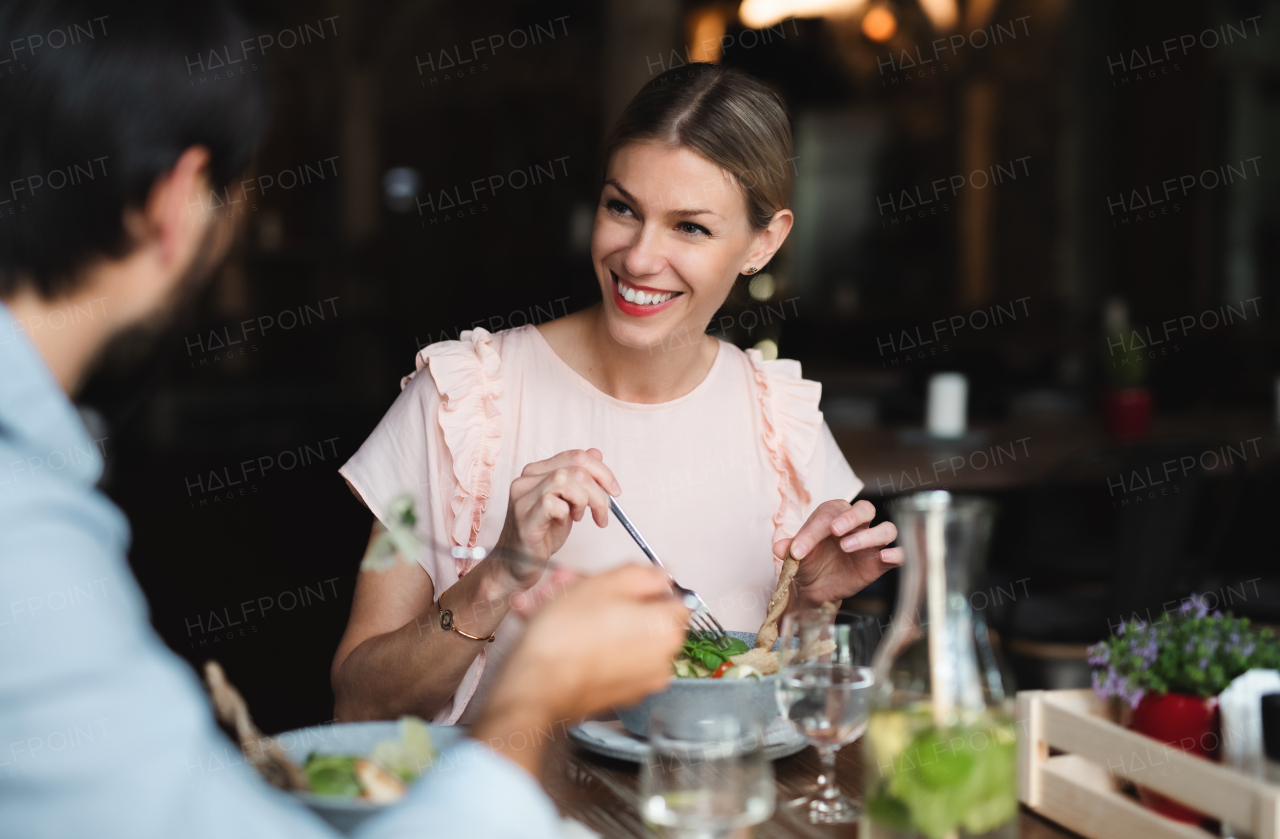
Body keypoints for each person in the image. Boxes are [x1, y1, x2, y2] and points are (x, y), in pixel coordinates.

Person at [0, 2, 688, 837]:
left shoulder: (43, 492)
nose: (644, 255)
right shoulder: (25, 536)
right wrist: (531, 696)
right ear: (178, 201)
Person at [332, 62, 904, 725]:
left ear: (763, 242)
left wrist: (810, 609)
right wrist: (500, 573)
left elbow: (782, 712)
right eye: (622, 208)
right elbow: (360, 700)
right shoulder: (459, 400)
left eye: (690, 227)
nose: (637, 257)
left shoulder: (784, 423)